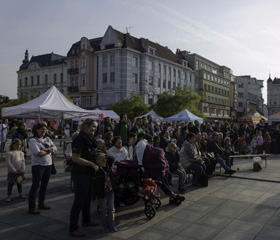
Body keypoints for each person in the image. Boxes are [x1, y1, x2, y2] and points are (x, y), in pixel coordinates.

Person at [69, 119, 100, 237]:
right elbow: (75, 158)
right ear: (86, 126)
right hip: (80, 173)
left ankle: (86, 220)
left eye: (95, 127)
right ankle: (73, 228)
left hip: (89, 173)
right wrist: (91, 164)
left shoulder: (90, 139)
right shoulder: (79, 139)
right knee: (79, 201)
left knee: (87, 198)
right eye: (93, 126)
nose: (94, 129)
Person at [28, 123, 57, 214]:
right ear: (37, 129)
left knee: (44, 185)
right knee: (35, 186)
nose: (44, 131)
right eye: (42, 129)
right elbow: (38, 153)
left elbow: (55, 148)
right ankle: (31, 207)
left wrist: (45, 150)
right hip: (38, 165)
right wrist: (49, 150)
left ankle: (41, 203)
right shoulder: (33, 140)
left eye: (45, 129)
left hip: (48, 164)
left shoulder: (48, 139)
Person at [92, 152, 117, 233]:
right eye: (102, 159)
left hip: (110, 192)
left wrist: (104, 156)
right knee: (103, 210)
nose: (105, 160)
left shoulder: (108, 167)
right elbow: (94, 184)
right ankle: (104, 225)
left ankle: (111, 224)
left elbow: (111, 158)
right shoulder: (97, 170)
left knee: (111, 209)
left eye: (105, 158)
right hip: (102, 193)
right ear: (97, 160)